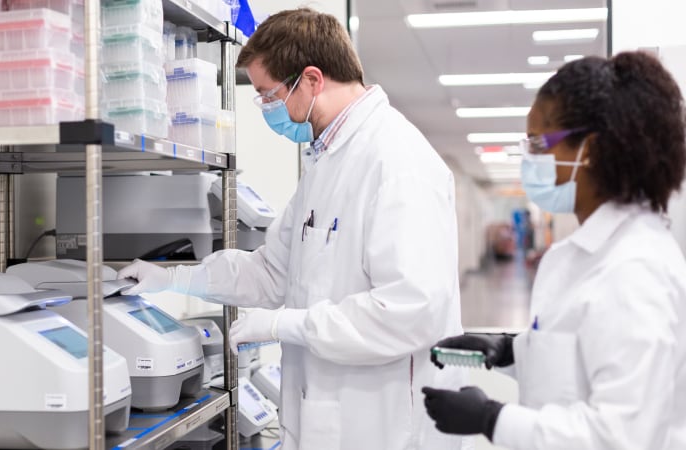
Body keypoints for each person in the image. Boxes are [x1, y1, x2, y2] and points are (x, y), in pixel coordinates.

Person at [118, 7, 466, 450]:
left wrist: (286, 325)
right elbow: (272, 271)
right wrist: (174, 277)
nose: (266, 107)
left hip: (385, 425)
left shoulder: (397, 162)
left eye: (268, 95)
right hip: (328, 417)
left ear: (313, 80)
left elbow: (410, 312)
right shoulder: (327, 161)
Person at [422, 50, 686, 449]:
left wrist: (491, 419)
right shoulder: (581, 254)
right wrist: (509, 350)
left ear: (590, 149)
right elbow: (574, 361)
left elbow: (621, 437)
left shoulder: (636, 269)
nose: (531, 159)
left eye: (539, 144)